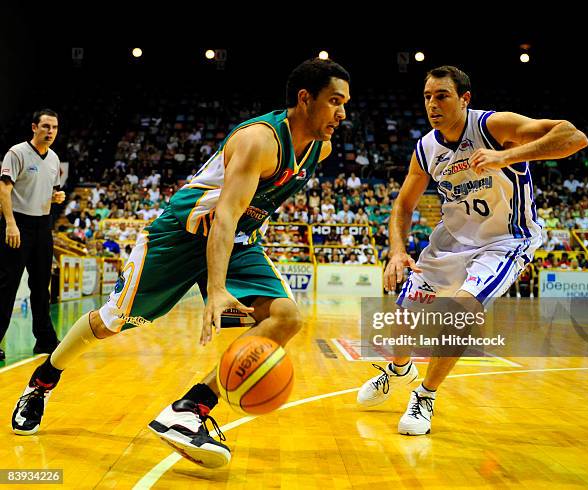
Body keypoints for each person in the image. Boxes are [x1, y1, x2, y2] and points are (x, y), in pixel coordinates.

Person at [11, 59, 350, 469]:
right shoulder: (260, 140)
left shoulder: (321, 148)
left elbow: (240, 217)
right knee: (109, 321)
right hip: (181, 235)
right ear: (304, 98)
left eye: (345, 103)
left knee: (286, 318)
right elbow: (224, 213)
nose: (342, 114)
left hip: (237, 241)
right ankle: (42, 382)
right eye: (335, 101)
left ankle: (189, 409)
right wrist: (218, 287)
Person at [356, 66, 588, 436]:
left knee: (460, 311)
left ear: (464, 99)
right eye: (428, 96)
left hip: (504, 241)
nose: (433, 103)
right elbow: (403, 205)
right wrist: (397, 252)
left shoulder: (493, 127)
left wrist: (507, 157)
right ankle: (398, 369)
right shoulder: (426, 148)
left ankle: (425, 396)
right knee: (405, 323)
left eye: (442, 96)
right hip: (451, 241)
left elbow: (573, 137)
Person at [0, 109, 66, 361]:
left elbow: (48, 192)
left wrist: (56, 197)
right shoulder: (16, 153)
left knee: (41, 287)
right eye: (46, 126)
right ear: (34, 127)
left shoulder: (54, 159)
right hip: (17, 224)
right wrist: (10, 223)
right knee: (6, 286)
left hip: (42, 227)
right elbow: (4, 190)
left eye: (55, 127)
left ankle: (45, 340)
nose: (50, 132)